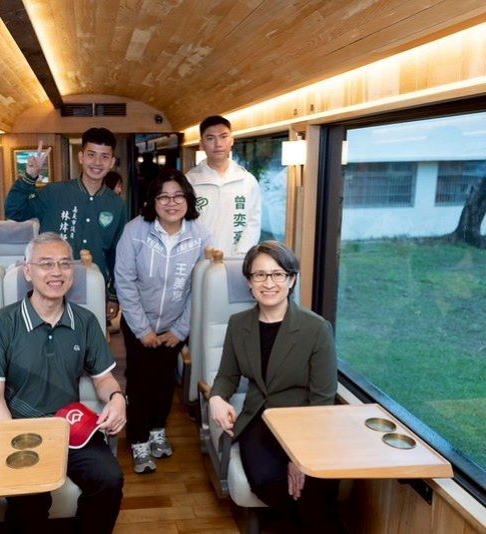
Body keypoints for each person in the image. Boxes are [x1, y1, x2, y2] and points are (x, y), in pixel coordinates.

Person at [0, 232, 125, 534]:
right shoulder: (3, 323)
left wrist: (117, 398)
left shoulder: (85, 321)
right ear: (28, 271)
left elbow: (104, 379)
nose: (56, 272)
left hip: (70, 426)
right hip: (22, 430)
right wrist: (14, 438)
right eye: (45, 264)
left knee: (110, 480)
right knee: (30, 497)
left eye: (64, 264)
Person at [208, 241, 341, 532]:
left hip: (306, 424)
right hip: (260, 419)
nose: (269, 283)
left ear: (291, 280)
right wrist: (217, 397)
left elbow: (322, 401)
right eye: (259, 275)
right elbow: (227, 375)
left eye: (278, 274)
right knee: (268, 480)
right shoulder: (238, 324)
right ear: (249, 282)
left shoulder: (316, 329)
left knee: (316, 486)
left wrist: (298, 458)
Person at [115, 168, 210, 473]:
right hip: (137, 323)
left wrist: (180, 329)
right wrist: (142, 329)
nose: (171, 202)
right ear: (152, 201)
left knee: (165, 381)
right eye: (163, 196)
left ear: (188, 199)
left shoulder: (200, 235)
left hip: (174, 324)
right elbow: (124, 281)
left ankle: (158, 428)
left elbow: (200, 285)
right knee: (141, 382)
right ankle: (139, 440)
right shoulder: (135, 231)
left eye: (178, 196)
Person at [4, 128, 127, 321]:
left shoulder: (117, 204)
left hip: (93, 290)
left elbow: (117, 254)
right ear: (81, 157)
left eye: (104, 157)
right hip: (51, 286)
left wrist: (113, 294)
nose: (97, 162)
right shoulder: (55, 192)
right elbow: (14, 211)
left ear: (111, 162)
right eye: (91, 155)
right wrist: (29, 177)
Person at [187, 115, 262, 255]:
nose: (218, 144)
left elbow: (253, 223)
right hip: (197, 260)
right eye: (210, 138)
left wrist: (241, 257)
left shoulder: (247, 180)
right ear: (201, 143)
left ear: (232, 140)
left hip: (236, 262)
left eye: (223, 136)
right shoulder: (189, 181)